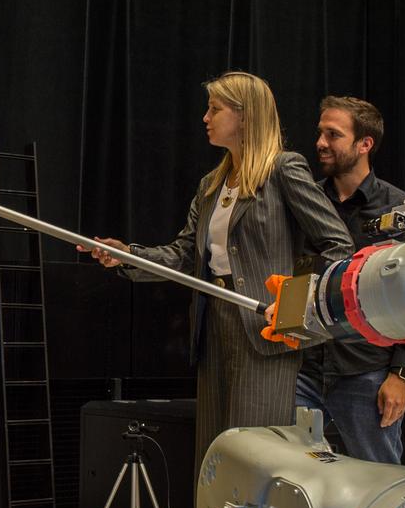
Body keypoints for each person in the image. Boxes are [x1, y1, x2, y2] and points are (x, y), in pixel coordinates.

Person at [83, 71, 353, 474]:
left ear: (245, 116)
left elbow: (338, 245)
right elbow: (184, 254)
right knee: (215, 457)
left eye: (215, 108)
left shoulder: (283, 170)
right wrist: (128, 256)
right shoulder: (211, 183)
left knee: (254, 458)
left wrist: (296, 308)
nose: (205, 118)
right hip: (214, 327)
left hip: (265, 330)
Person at [295, 97, 405, 464]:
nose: (321, 143)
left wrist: (400, 375)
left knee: (379, 478)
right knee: (295, 477)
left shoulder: (401, 209)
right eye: (320, 133)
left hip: (367, 372)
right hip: (303, 369)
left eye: (333, 134)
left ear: (364, 144)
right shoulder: (304, 202)